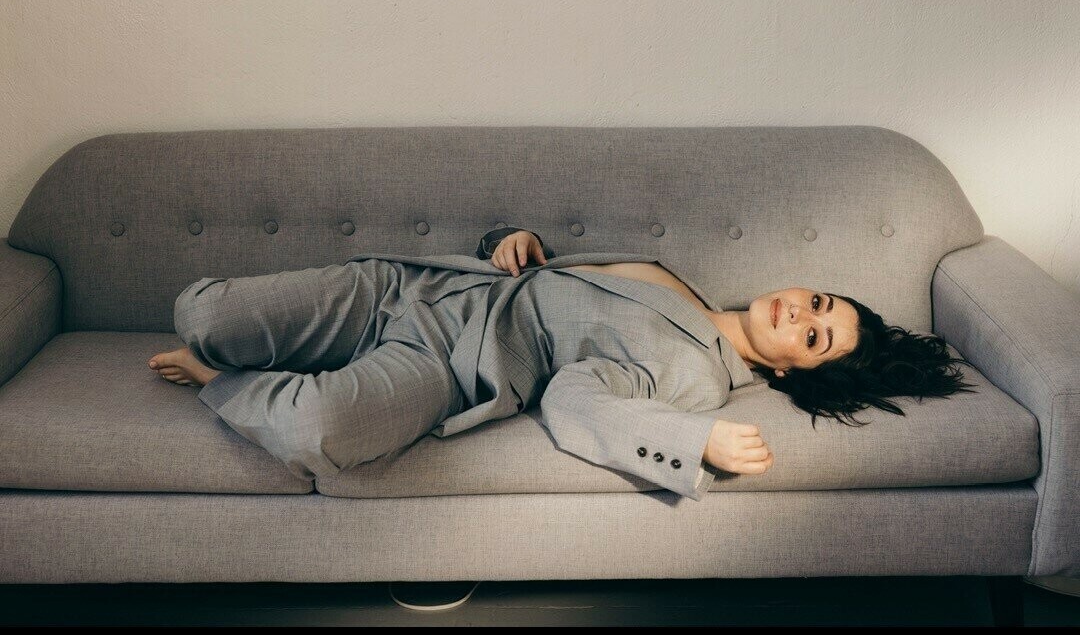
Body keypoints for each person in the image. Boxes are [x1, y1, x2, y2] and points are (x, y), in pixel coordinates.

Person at [147, 227, 976, 500]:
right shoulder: (673, 273)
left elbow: (576, 397)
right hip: (410, 287)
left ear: (794, 371)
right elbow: (547, 268)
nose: (800, 313)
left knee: (319, 428)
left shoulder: (698, 378)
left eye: (815, 336)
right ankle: (220, 348)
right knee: (206, 313)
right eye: (818, 301)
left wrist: (692, 443)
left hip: (449, 361)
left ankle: (223, 382)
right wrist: (513, 239)